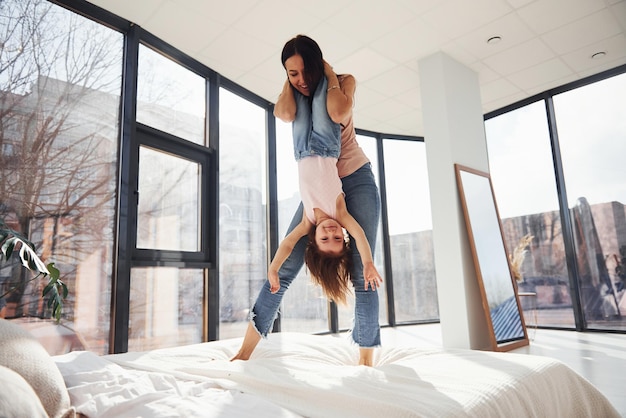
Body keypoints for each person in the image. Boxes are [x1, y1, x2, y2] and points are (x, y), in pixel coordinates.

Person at [231, 34, 382, 366]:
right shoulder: (294, 93)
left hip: (355, 179)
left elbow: (339, 109)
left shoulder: (343, 82)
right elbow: (283, 114)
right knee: (282, 272)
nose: (299, 80)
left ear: (318, 64)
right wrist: (293, 82)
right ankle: (244, 353)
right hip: (319, 192)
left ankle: (366, 362)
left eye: (304, 72)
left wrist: (326, 74)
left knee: (363, 275)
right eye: (291, 73)